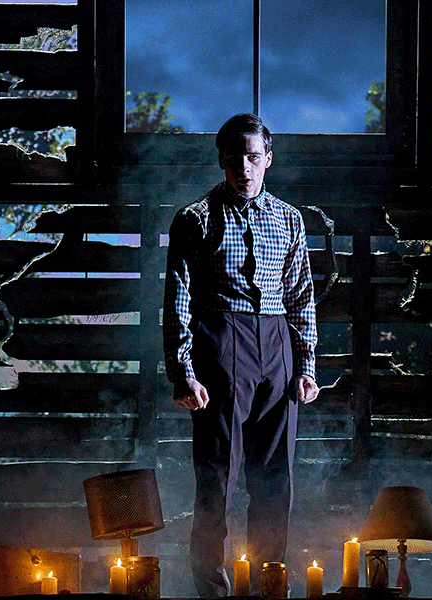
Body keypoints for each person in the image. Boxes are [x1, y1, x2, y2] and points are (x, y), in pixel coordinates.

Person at [163, 113, 320, 598]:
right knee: (217, 479)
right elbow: (178, 298)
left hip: (276, 348)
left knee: (275, 479)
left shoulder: (289, 219)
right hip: (220, 344)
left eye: (253, 158)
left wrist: (306, 365)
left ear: (268, 159)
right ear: (222, 162)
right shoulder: (196, 219)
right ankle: (213, 592)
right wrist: (183, 371)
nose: (244, 169)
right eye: (234, 160)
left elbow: (300, 295)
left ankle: (268, 585)